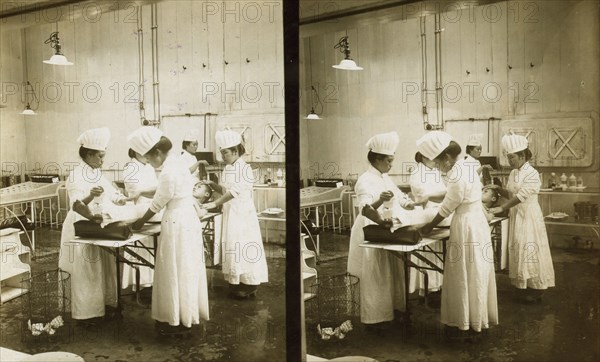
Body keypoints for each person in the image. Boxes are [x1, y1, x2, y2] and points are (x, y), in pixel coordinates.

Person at [129, 126, 209, 335]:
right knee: (186, 267)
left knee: (173, 268)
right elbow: (163, 190)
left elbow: (158, 202)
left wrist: (139, 222)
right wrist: (140, 191)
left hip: (176, 222)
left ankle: (174, 318)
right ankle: (186, 314)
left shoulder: (167, 171)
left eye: (148, 157)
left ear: (156, 153)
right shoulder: (177, 164)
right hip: (187, 219)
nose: (148, 161)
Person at [418, 131, 498, 339]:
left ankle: (463, 323)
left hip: (466, 225)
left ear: (445, 157)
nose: (436, 166)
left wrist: (428, 227)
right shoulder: (466, 167)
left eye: (436, 162)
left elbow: (447, 207)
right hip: (476, 222)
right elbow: (452, 195)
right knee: (476, 270)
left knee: (463, 272)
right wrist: (427, 197)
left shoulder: (455, 173)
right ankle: (476, 318)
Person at [58, 127, 128, 325]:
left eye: (103, 156)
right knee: (86, 269)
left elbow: (111, 192)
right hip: (80, 227)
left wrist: (119, 199)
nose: (102, 161)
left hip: (98, 225)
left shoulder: (97, 173)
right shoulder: (76, 175)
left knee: (103, 265)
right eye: (100, 156)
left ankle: (105, 304)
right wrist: (91, 200)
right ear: (88, 154)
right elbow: (77, 204)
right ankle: (86, 314)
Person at [347, 131, 416, 328]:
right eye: (389, 161)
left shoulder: (385, 177)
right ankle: (375, 317)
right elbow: (366, 209)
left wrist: (407, 203)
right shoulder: (365, 180)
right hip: (370, 232)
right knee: (375, 274)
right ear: (377, 159)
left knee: (390, 271)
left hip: (386, 230)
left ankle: (391, 309)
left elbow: (398, 195)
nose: (391, 165)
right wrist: (381, 211)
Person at [199, 130, 268, 299]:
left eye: (225, 153)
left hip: (242, 214)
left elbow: (234, 192)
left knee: (244, 246)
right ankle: (236, 281)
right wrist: (212, 185)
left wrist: (215, 203)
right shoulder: (229, 167)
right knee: (232, 245)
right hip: (231, 212)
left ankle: (250, 284)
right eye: (222, 153)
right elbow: (225, 190)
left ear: (236, 151)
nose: (223, 156)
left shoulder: (244, 168)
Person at [489, 134, 555, 303]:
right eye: (508, 157)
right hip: (516, 215)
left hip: (529, 216)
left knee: (530, 248)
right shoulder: (513, 173)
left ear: (522, 156)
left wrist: (502, 207)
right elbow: (512, 194)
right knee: (518, 248)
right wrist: (498, 188)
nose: (509, 160)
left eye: (512, 157)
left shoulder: (532, 174)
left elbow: (522, 196)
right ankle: (522, 285)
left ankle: (537, 288)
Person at [121, 148, 163, 295]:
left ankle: (151, 284)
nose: (147, 156)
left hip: (152, 210)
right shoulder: (130, 168)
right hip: (140, 211)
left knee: (151, 250)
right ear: (134, 152)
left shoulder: (149, 167)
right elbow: (134, 192)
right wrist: (156, 191)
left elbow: (158, 189)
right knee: (141, 251)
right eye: (144, 152)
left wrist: (157, 191)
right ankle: (142, 286)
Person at [408, 151, 449, 298]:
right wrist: (441, 196)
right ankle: (429, 290)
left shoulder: (435, 171)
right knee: (428, 254)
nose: (437, 160)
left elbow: (444, 192)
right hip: (426, 216)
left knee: (438, 254)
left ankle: (438, 287)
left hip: (438, 215)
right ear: (424, 157)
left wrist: (442, 196)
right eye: (434, 157)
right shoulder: (417, 173)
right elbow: (423, 197)